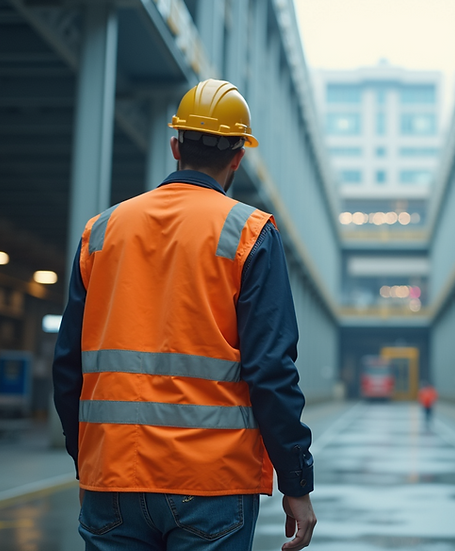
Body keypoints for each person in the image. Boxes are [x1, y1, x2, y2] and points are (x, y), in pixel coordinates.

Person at [52, 79, 316, 551]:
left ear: (175, 146)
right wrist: (296, 483)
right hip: (211, 484)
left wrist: (88, 459)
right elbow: (272, 371)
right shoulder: (250, 234)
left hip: (111, 476)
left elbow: (68, 364)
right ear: (238, 157)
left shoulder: (103, 231)